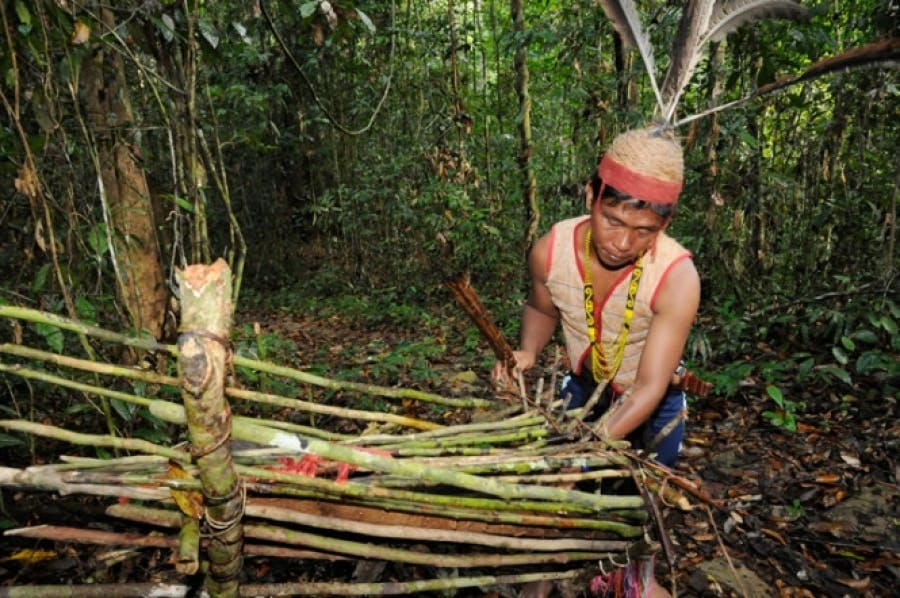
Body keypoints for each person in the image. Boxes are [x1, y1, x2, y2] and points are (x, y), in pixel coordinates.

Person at [495, 126, 699, 598]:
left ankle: (625, 581)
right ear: (591, 194)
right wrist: (527, 350)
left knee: (628, 529)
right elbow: (542, 309)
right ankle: (541, 583)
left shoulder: (677, 277)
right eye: (612, 220)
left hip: (651, 409)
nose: (623, 243)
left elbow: (649, 387)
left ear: (665, 224)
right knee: (556, 510)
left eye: (644, 230)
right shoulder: (552, 249)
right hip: (585, 390)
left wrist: (583, 451)